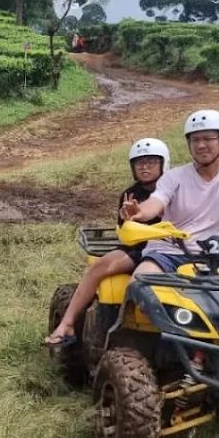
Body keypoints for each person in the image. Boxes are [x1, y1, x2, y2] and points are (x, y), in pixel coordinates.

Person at [44, 137, 170, 347]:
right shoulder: (130, 194)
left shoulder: (174, 188)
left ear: (164, 163)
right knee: (99, 267)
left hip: (170, 249)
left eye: (151, 162)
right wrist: (130, 219)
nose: (145, 167)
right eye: (139, 163)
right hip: (137, 249)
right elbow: (124, 230)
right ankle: (66, 324)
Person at [121, 110, 219, 277]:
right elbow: (156, 201)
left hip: (214, 256)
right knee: (140, 283)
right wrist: (140, 212)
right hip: (167, 253)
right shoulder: (174, 176)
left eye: (208, 138)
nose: (200, 145)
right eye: (195, 139)